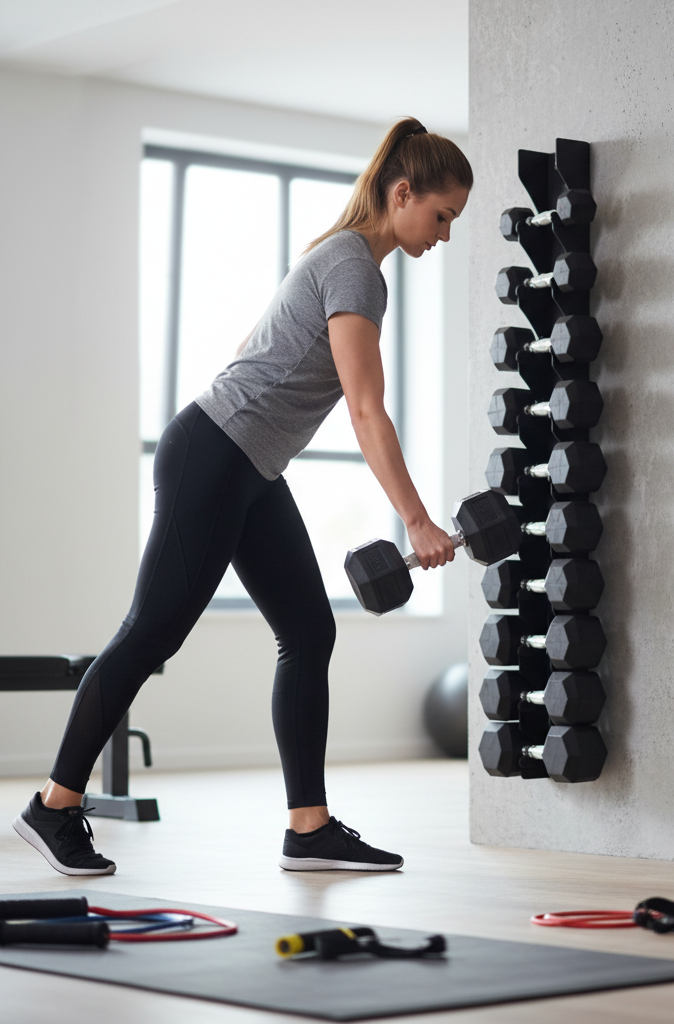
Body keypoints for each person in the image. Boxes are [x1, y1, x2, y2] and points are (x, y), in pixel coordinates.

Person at [12, 117, 472, 877]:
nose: (444, 234)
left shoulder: (339, 258)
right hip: (215, 456)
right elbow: (365, 410)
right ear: (402, 194)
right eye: (442, 215)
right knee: (150, 632)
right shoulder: (356, 268)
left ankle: (309, 828)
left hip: (247, 465)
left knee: (308, 629)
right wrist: (417, 520)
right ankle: (53, 807)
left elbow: (253, 358)